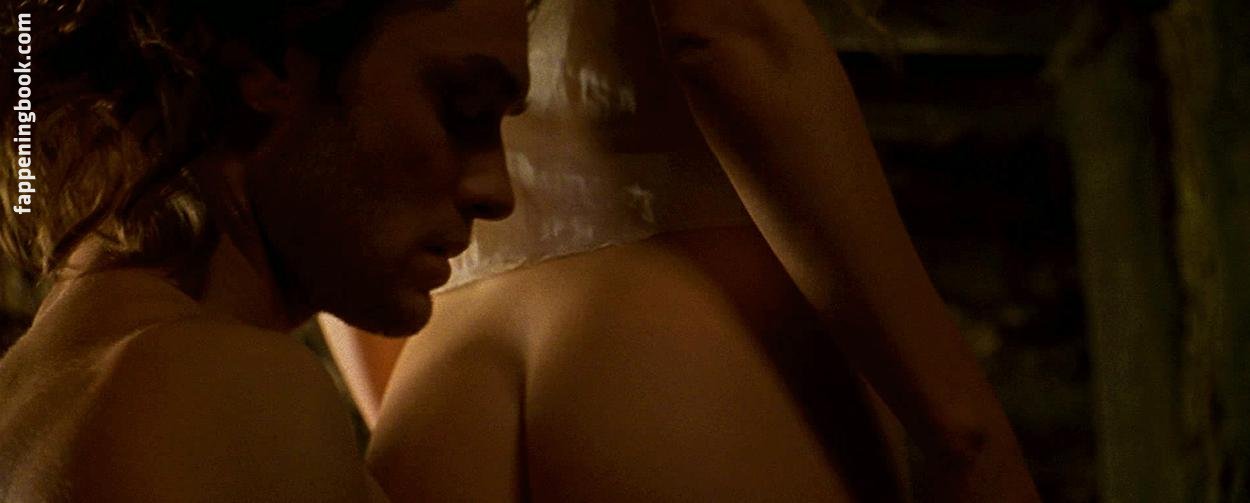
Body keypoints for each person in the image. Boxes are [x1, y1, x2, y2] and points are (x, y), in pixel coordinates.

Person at [335, 0, 1040, 501]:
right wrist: (966, 432)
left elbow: (327, 115)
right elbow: (731, 36)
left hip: (438, 383)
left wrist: (396, 407)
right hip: (679, 362)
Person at [0, 0, 529, 500]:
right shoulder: (218, 388)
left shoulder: (41, 386)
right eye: (466, 111)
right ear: (265, 65)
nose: (497, 193)